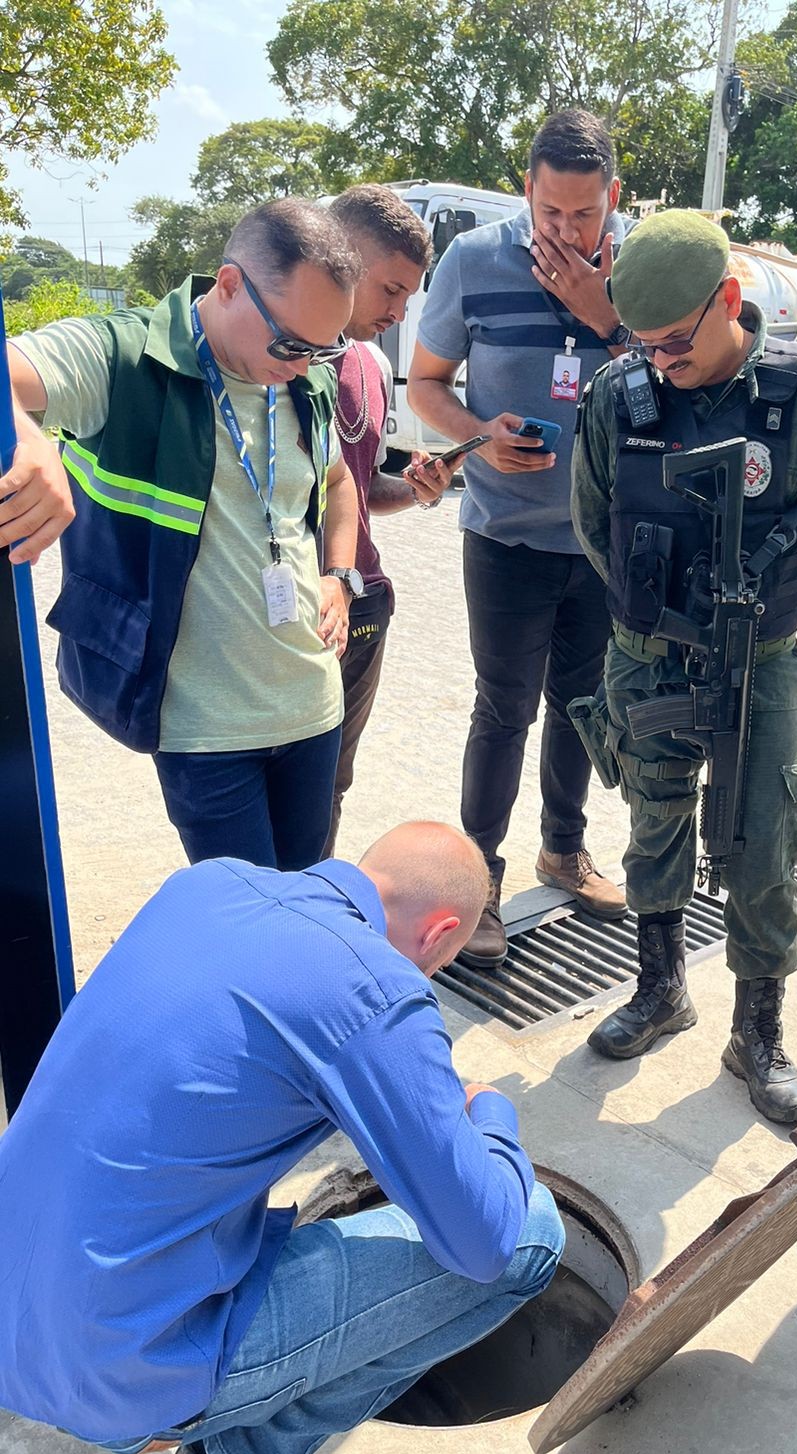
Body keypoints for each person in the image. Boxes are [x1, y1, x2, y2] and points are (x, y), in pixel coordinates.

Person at [0, 821, 564, 1454]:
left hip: (17, 1312)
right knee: (531, 1235)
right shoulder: (375, 990)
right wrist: (490, 1110)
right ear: (441, 933)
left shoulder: (205, 886)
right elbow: (483, 1243)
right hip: (111, 1375)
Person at [572, 211, 797, 1124]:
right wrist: (663, 616)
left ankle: (758, 1029)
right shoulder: (615, 396)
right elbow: (596, 525)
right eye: (643, 344)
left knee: (764, 837)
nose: (658, 362)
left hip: (761, 657)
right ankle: (661, 987)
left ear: (731, 303)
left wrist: (769, 616)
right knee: (651, 818)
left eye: (675, 342)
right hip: (647, 652)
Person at [4, 198, 362, 871]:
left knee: (302, 906)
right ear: (229, 285)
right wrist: (27, 436)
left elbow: (339, 486)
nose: (305, 363)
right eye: (291, 343)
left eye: (326, 347)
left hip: (313, 711)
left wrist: (338, 578)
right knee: (246, 928)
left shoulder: (305, 381)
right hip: (207, 732)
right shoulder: (125, 357)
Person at [409, 109, 632, 967]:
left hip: (603, 540)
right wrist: (476, 436)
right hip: (504, 533)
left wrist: (604, 314)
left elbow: (677, 379)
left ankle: (564, 849)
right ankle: (482, 880)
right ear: (526, 190)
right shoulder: (471, 262)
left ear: (612, 197)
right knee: (504, 711)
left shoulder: (639, 263)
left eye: (585, 214)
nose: (568, 231)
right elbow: (427, 385)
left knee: (582, 708)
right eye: (550, 214)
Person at [322, 185, 454, 856]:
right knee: (277, 783)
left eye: (410, 297)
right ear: (337, 259)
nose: (400, 313)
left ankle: (309, 917)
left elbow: (363, 486)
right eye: (391, 291)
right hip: (295, 615)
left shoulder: (371, 363)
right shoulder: (266, 361)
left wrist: (418, 488)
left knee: (331, 784)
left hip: (365, 609)